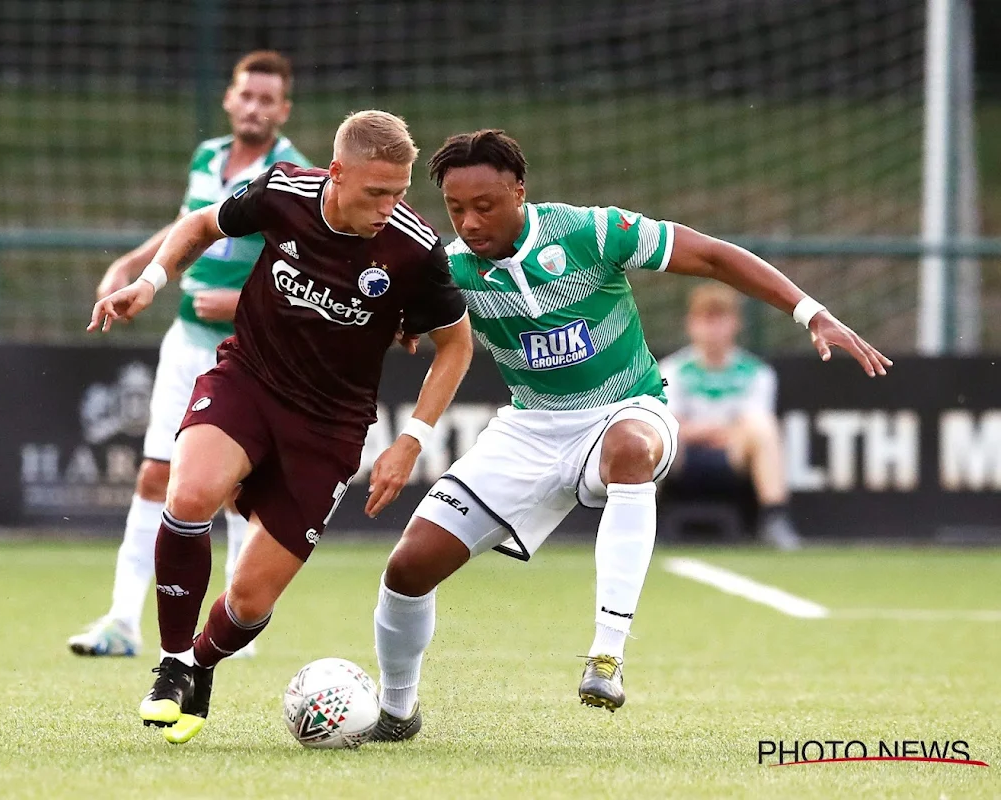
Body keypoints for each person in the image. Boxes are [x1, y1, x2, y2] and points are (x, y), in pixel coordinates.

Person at [369, 130, 890, 741]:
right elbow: (404, 323)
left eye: (485, 206)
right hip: (530, 430)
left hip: (628, 408)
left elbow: (715, 257)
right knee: (407, 569)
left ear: (519, 192)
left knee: (630, 451)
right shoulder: (450, 268)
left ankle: (606, 656)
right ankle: (397, 713)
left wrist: (810, 312)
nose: (470, 222)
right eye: (457, 210)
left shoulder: (592, 232)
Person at [88, 110, 473, 745]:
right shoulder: (284, 191)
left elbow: (455, 345)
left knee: (250, 600)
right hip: (248, 381)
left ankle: (201, 667)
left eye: (400, 192)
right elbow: (201, 224)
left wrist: (411, 441)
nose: (390, 206)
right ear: (337, 172)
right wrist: (151, 282)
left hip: (330, 427)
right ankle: (173, 663)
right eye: (377, 192)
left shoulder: (414, 248)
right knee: (187, 497)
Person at [68, 51, 311, 658]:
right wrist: (135, 264)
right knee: (155, 473)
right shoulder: (208, 154)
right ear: (230, 99)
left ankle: (231, 627)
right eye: (245, 96)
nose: (254, 108)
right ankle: (122, 620)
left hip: (248, 349)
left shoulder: (296, 174)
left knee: (228, 484)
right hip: (184, 343)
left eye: (267, 100)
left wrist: (242, 299)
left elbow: (309, 267)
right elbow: (193, 222)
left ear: (283, 110)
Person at [658, 284, 802, 550]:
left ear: (735, 324)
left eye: (720, 320)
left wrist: (707, 430)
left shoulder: (757, 373)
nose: (712, 331)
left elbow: (753, 422)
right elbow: (668, 422)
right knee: (653, 434)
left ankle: (774, 519)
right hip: (682, 455)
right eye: (705, 320)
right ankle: (639, 522)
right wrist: (715, 430)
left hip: (732, 455)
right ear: (691, 324)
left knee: (764, 429)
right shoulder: (670, 370)